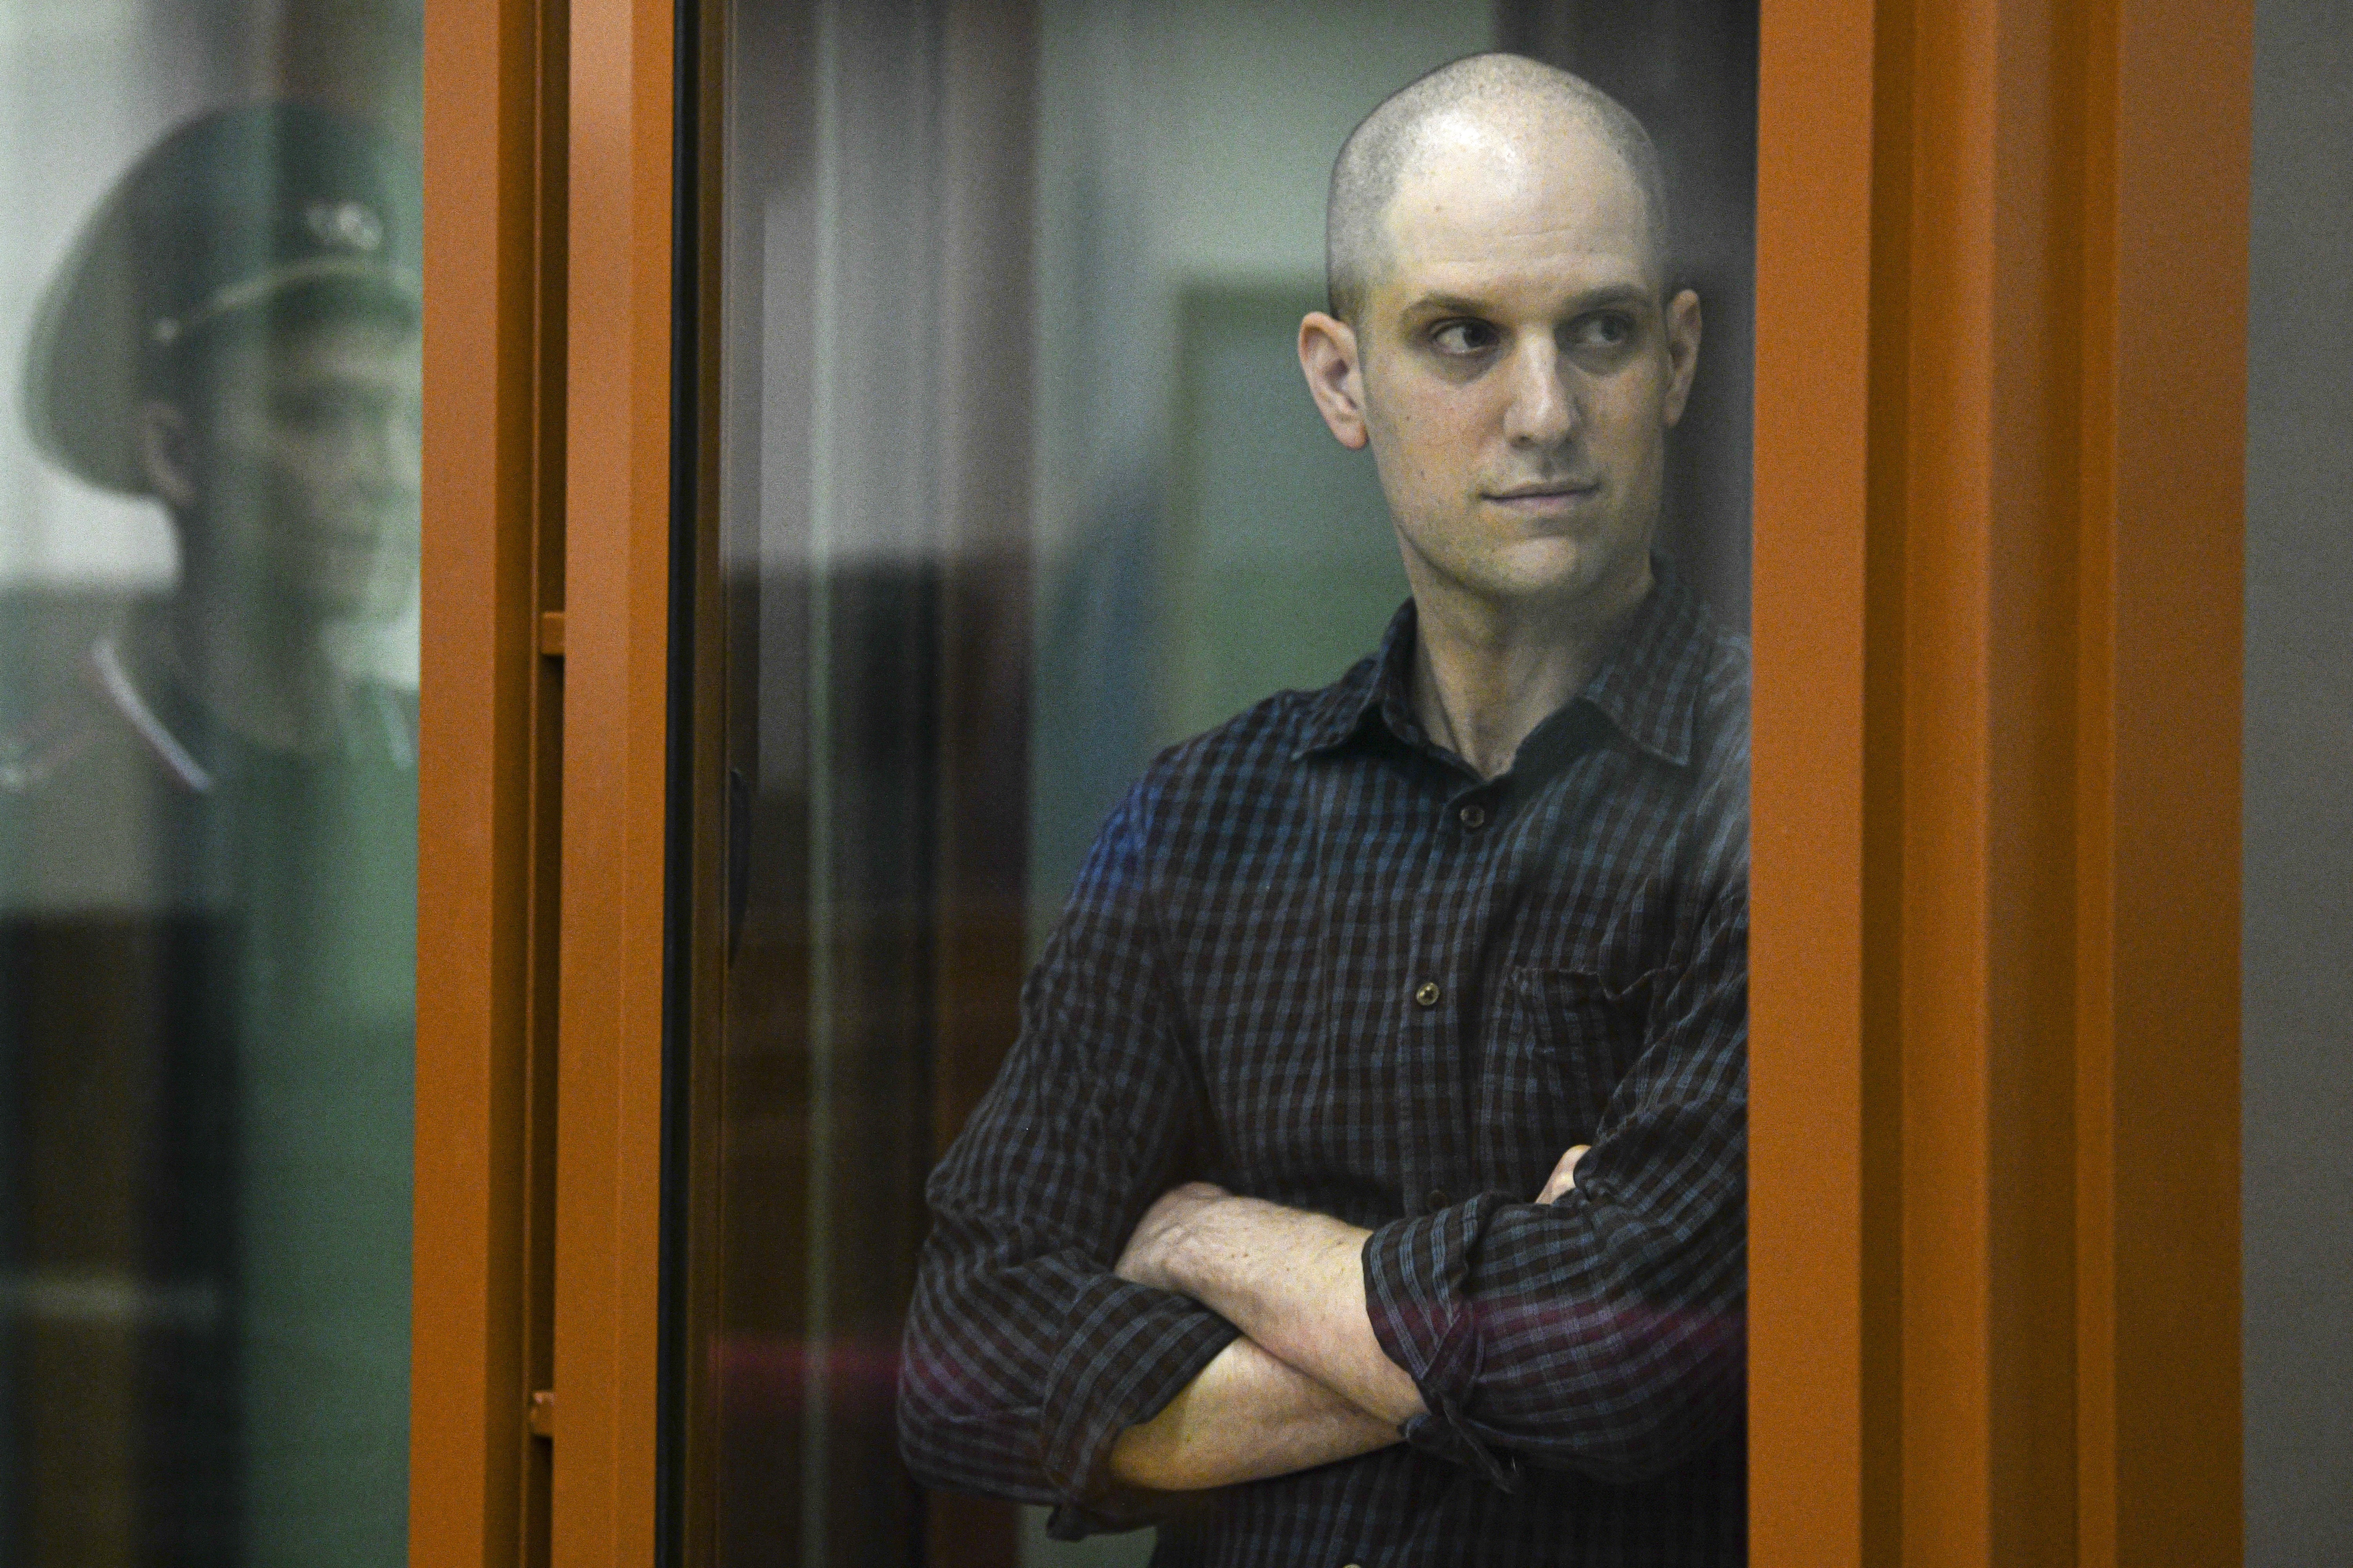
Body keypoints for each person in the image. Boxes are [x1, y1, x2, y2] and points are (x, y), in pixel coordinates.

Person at [900, 51, 1747, 1567]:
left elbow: (1631, 1357)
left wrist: (1214, 1241)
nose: (1544, 409)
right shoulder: (1204, 820)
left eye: (1602, 332)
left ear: (1679, 359)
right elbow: (966, 1360)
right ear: (1341, 377)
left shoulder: (1799, 794)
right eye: (1463, 337)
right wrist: (1509, 1313)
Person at [0, 103, 420, 1567]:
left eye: (399, 415)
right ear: (175, 450)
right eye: (318, 415)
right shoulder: (58, 816)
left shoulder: (455, 780)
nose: (383, 466)